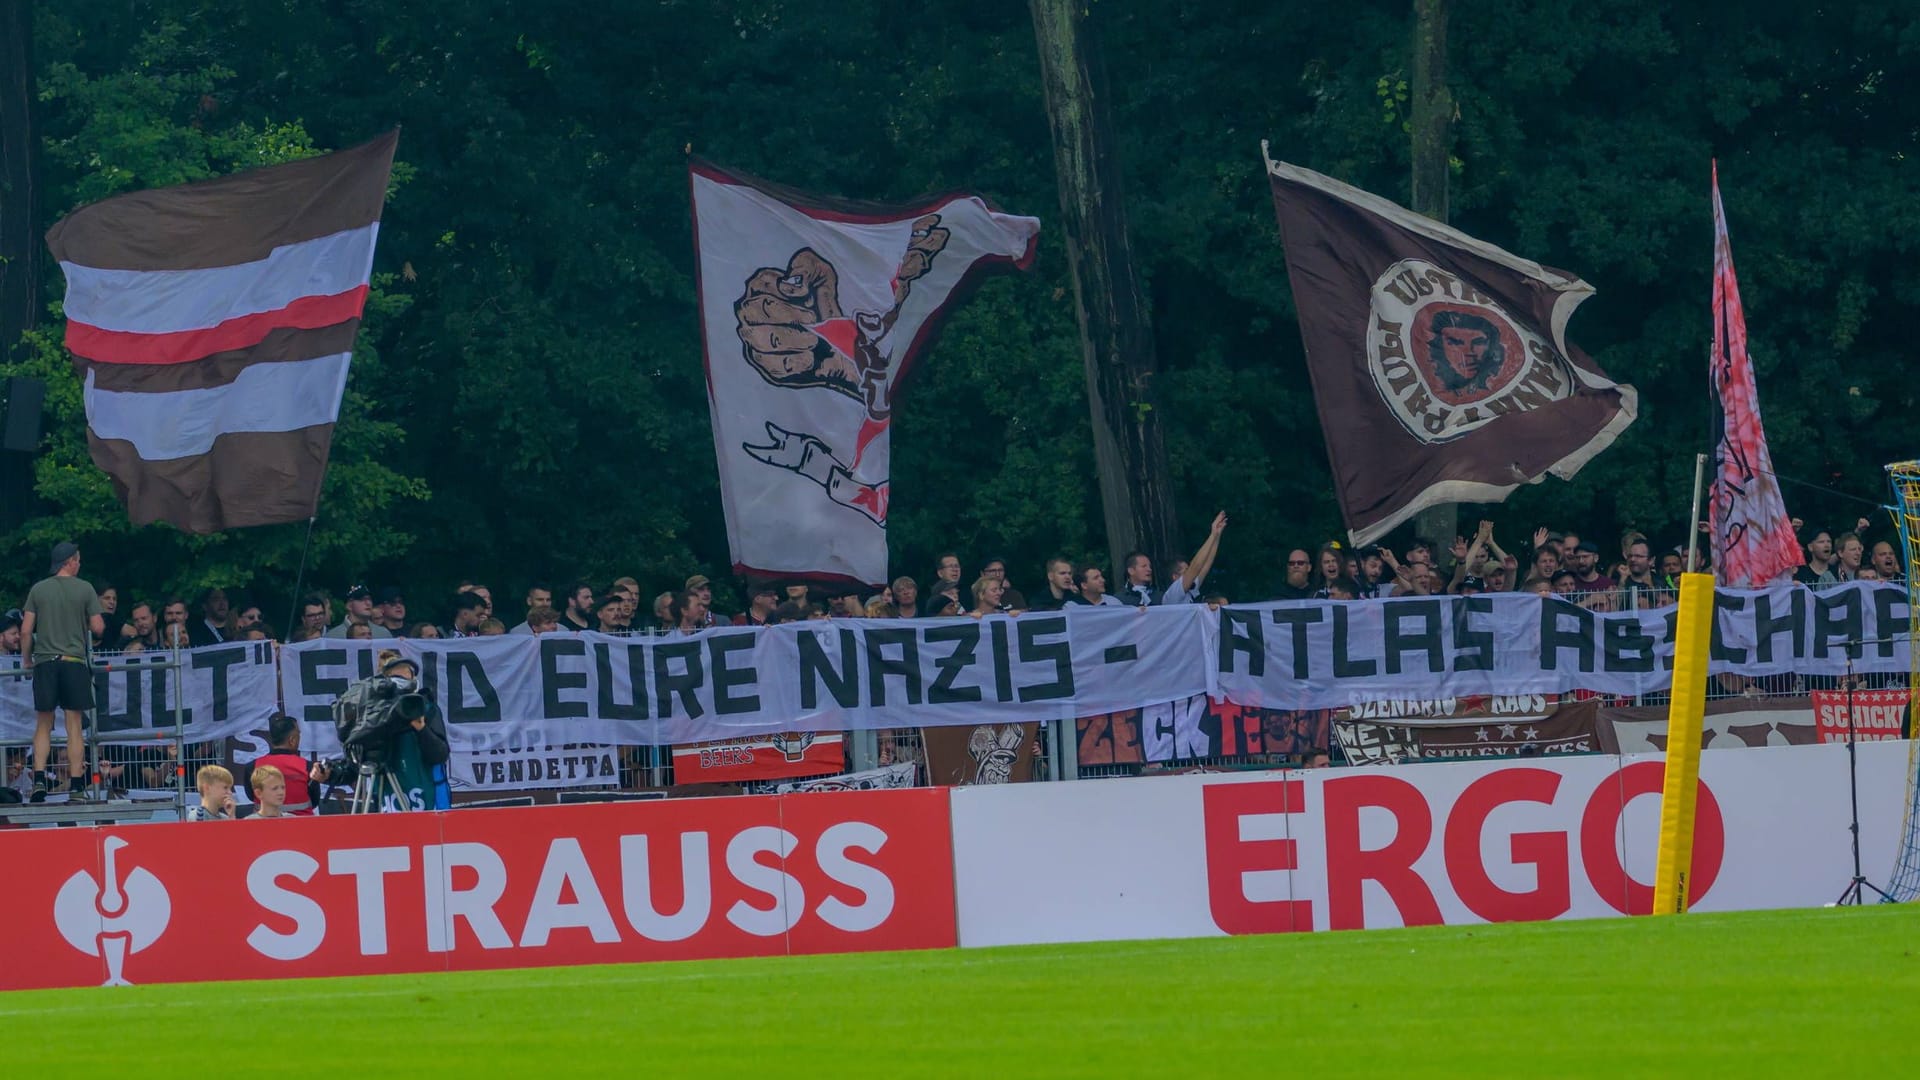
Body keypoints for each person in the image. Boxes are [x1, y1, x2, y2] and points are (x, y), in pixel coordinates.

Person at [311, 652, 450, 812]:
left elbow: (440, 755)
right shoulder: (372, 717)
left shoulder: (424, 708)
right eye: (395, 675)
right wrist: (329, 774)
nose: (402, 681)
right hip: (385, 805)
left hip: (427, 805)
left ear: (413, 678)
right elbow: (355, 766)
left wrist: (421, 729)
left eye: (406, 673)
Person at [20, 541, 105, 803]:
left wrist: (27, 659)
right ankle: (78, 786)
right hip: (73, 660)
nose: (79, 564)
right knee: (74, 726)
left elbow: (25, 630)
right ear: (69, 561)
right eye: (77, 559)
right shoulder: (85, 589)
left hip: (45, 662)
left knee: (43, 725)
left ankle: (38, 781)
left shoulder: (38, 589)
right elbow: (98, 627)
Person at [249, 713, 321, 815]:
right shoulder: (307, 767)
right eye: (298, 734)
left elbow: (250, 795)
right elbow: (315, 800)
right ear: (292, 740)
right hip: (303, 826)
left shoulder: (253, 766)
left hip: (264, 825)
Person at [1164, 512, 1229, 604]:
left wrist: (1217, 535)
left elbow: (1206, 565)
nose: (1191, 574)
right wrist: (1212, 535)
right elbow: (1196, 566)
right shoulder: (1172, 594)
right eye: (1186, 571)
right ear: (1175, 577)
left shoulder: (1189, 591)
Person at [326, 585, 393, 639]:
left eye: (369, 599)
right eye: (361, 599)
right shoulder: (332, 637)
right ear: (349, 605)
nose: (368, 603)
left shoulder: (383, 634)